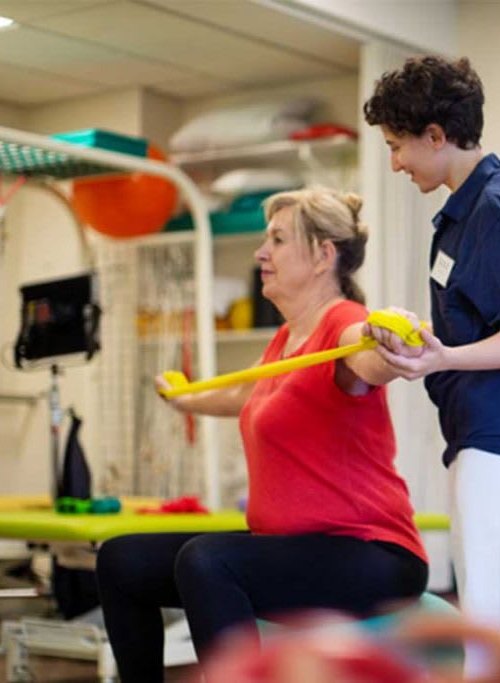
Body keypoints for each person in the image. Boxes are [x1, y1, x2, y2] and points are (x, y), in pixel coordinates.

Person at [96, 187, 429, 682]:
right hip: (294, 545)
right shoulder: (286, 337)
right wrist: (184, 399)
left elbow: (369, 362)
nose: (260, 253)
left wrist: (392, 338)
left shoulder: (345, 323)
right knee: (122, 560)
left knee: (207, 561)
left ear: (322, 255)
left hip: (372, 552)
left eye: (276, 239)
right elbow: (244, 397)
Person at [362, 55, 500, 671]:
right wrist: (428, 345)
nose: (395, 162)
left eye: (398, 146)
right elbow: (483, 325)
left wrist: (441, 357)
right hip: (482, 434)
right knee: (488, 623)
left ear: (436, 135)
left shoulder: (499, 210)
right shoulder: (464, 214)